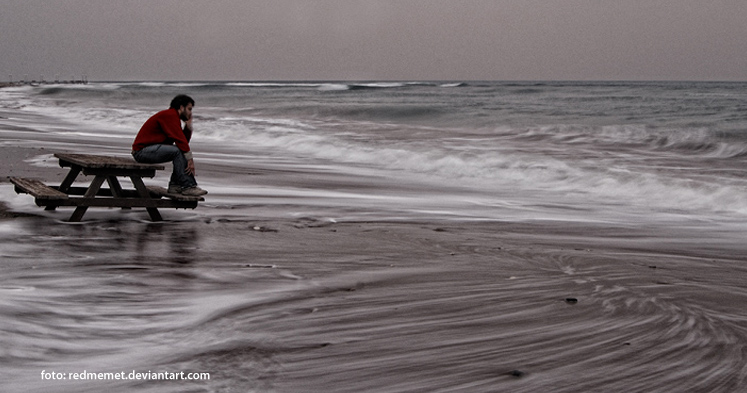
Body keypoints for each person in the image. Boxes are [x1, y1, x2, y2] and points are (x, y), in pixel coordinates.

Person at [132, 95, 208, 196]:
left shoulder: (173, 117)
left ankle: (175, 185)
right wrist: (190, 159)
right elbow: (180, 141)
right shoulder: (169, 115)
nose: (190, 113)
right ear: (181, 107)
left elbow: (183, 141)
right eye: (189, 109)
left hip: (149, 150)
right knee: (178, 151)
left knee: (180, 151)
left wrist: (188, 127)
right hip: (141, 152)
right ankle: (188, 186)